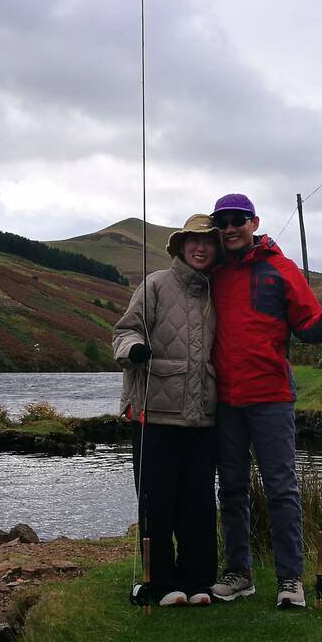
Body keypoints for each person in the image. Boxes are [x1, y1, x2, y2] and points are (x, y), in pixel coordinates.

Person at [207, 194, 322, 608]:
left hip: (271, 397)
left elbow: (307, 327)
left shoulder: (282, 270)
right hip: (225, 401)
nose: (229, 228)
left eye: (237, 220)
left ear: (254, 222)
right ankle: (239, 574)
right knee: (231, 489)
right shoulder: (213, 273)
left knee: (281, 489)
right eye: (222, 222)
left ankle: (290, 579)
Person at [112, 213, 222, 607]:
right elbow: (125, 330)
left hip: (202, 417)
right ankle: (161, 582)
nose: (200, 248)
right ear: (180, 246)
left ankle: (198, 582)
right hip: (154, 413)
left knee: (199, 503)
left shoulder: (218, 292)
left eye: (208, 242)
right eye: (193, 241)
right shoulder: (155, 284)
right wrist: (133, 350)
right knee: (156, 502)